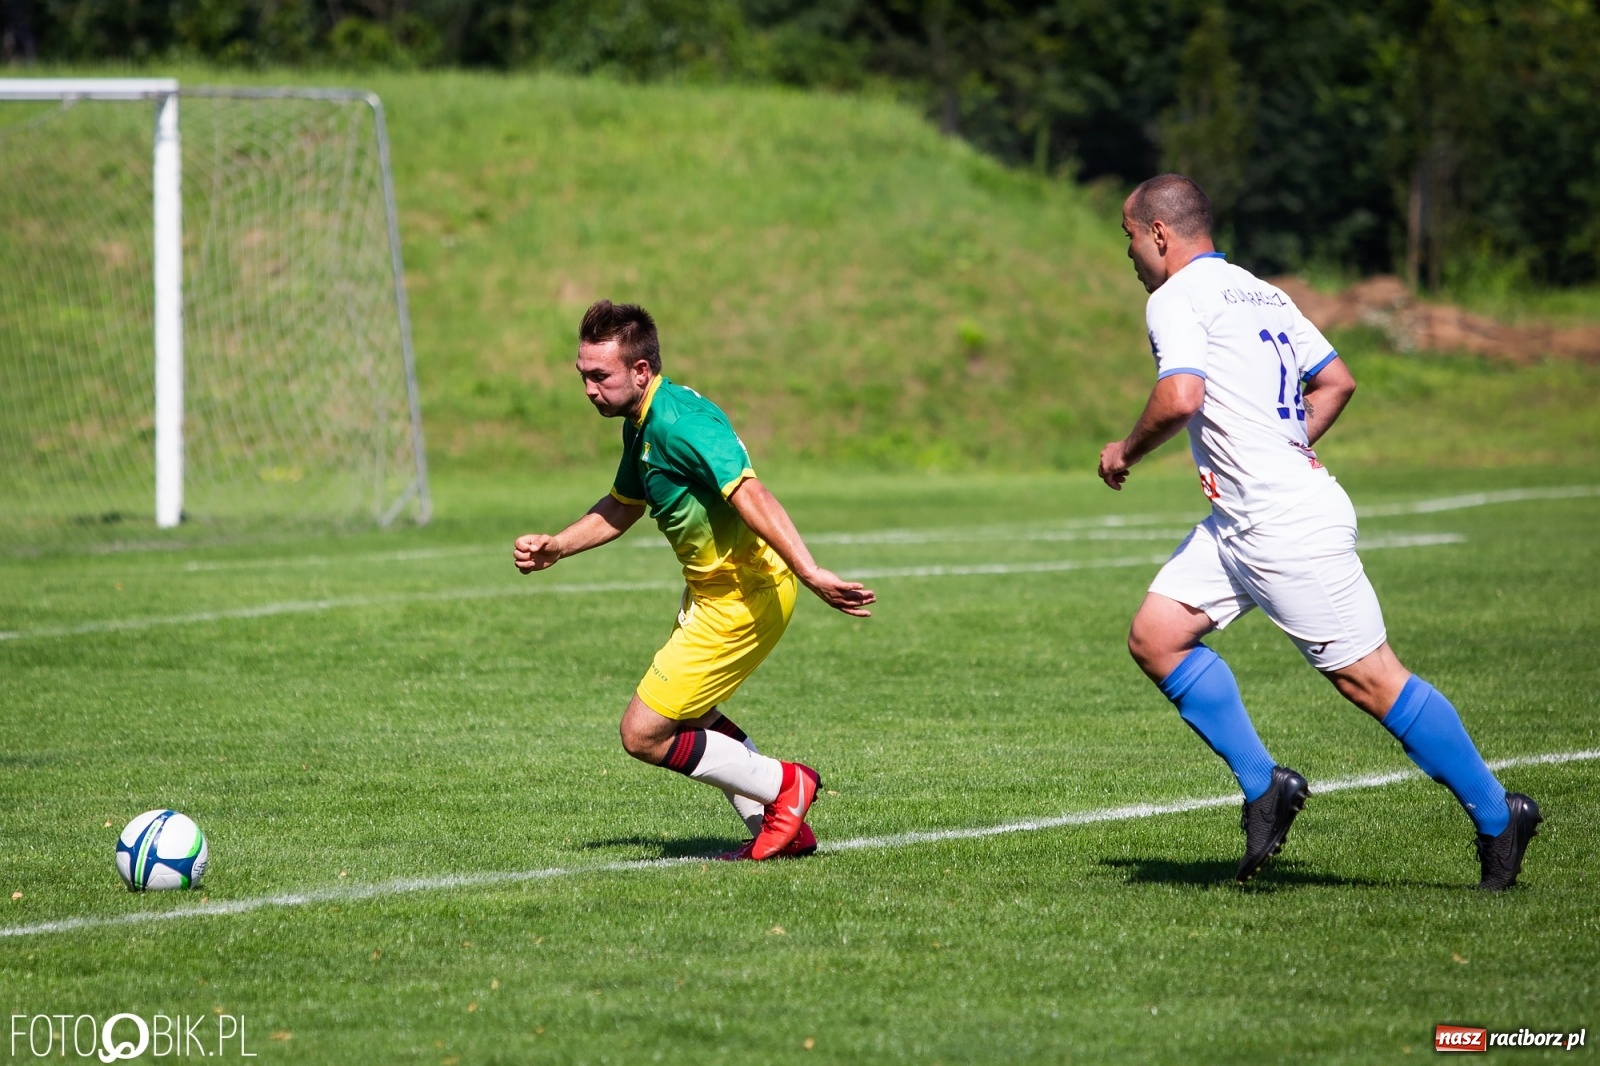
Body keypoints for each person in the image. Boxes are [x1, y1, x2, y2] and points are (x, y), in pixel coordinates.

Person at [1098, 174, 1540, 888]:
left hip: (1284, 523)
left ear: (1158, 234)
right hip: (1240, 520)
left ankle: (1499, 815)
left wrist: (1123, 451)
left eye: (1128, 237)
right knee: (1157, 636)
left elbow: (1181, 396)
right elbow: (1337, 380)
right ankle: (1265, 787)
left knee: (1371, 680)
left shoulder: (1174, 297)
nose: (1128, 255)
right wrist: (1287, 447)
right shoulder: (1261, 291)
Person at [514, 299, 876, 861]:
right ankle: (780, 827)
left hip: (743, 598)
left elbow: (749, 491)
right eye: (582, 376)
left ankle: (786, 787)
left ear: (640, 370)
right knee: (690, 716)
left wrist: (809, 570)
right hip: (716, 595)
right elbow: (623, 504)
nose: (588, 388)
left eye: (599, 376)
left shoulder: (680, 423)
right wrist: (558, 545)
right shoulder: (643, 422)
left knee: (643, 733)